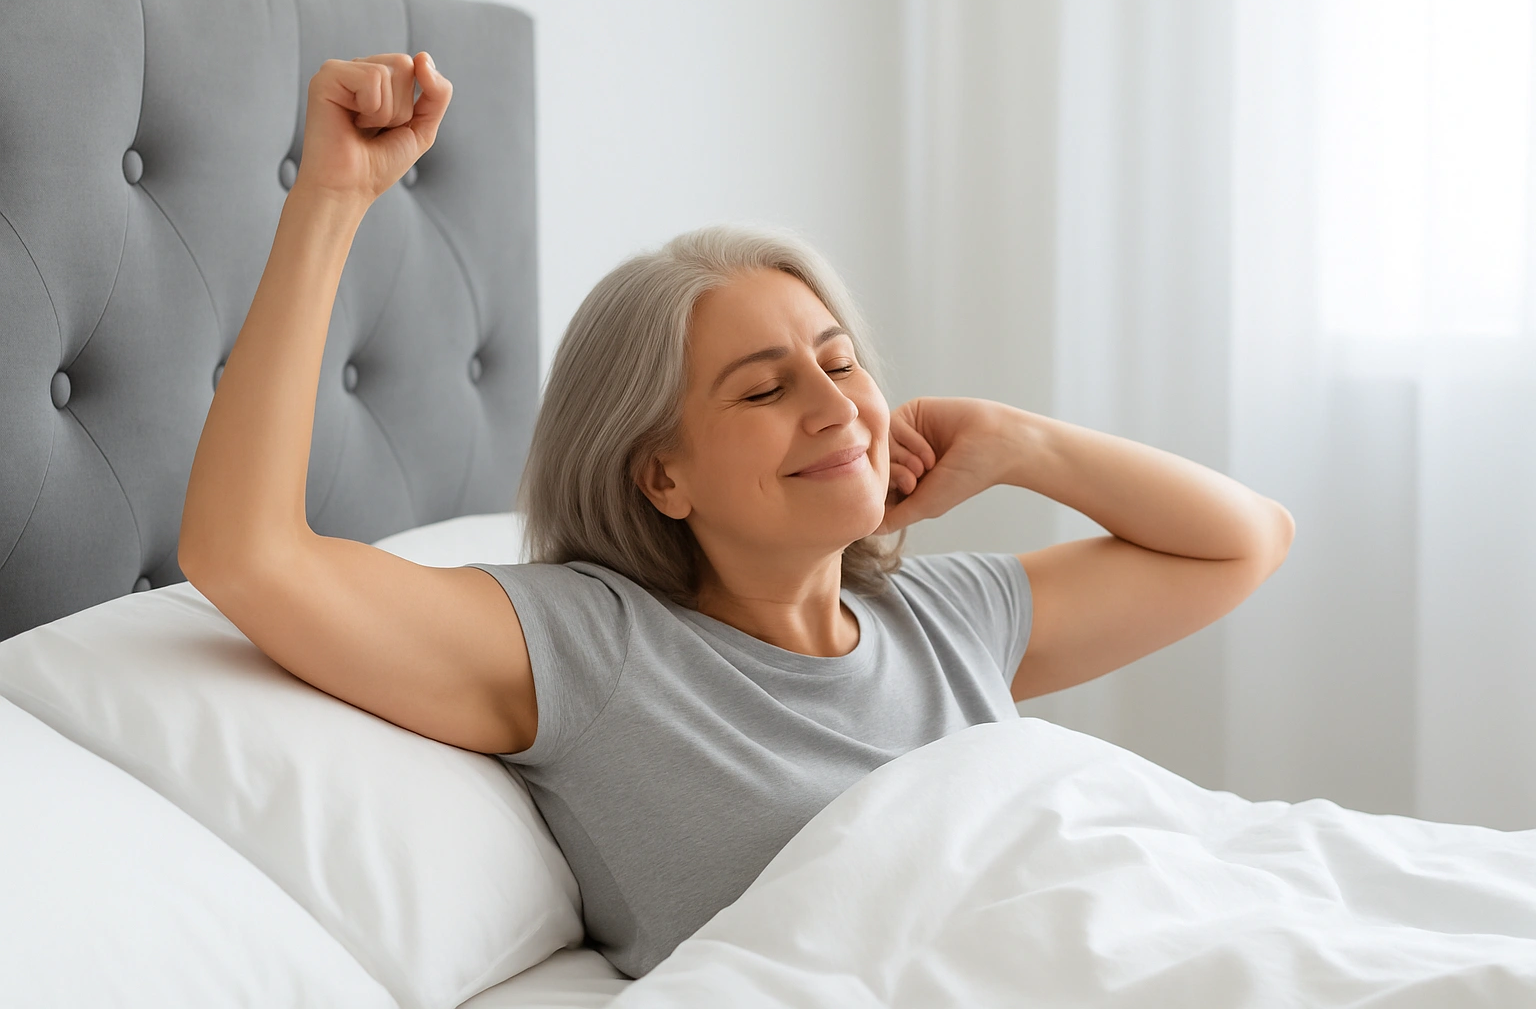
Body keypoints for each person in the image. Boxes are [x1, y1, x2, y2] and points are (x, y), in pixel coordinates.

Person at [179, 53, 1296, 979]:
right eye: (764, 389)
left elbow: (1250, 539)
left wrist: (1022, 442)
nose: (835, 409)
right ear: (661, 478)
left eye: (841, 361)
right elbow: (248, 554)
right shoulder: (594, 647)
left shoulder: (946, 614)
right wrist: (332, 197)